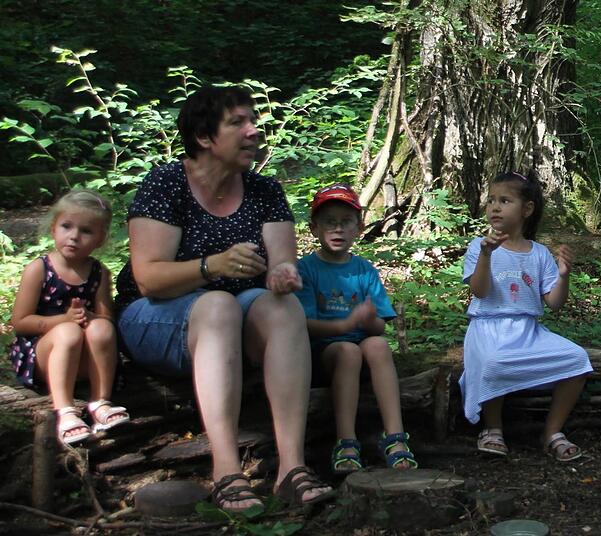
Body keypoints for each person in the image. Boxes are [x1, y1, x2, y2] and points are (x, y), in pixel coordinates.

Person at [115, 86, 332, 512]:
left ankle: (291, 468)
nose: (254, 131)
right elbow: (149, 279)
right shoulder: (167, 183)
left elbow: (281, 262)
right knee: (217, 305)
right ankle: (227, 471)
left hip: (234, 319)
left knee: (283, 308)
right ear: (204, 137)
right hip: (156, 318)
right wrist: (212, 265)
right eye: (238, 122)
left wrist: (283, 273)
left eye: (253, 121)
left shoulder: (264, 190)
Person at [460, 171, 592, 461]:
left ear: (527, 209)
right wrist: (486, 254)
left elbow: (554, 303)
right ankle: (493, 429)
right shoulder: (479, 247)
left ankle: (552, 433)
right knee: (493, 362)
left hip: (528, 332)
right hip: (488, 328)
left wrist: (563, 276)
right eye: (491, 200)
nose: (495, 207)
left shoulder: (539, 253)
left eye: (505, 201)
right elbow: (480, 291)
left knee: (577, 359)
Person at [294, 184, 417, 474]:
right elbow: (302, 325)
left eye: (346, 222)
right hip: (323, 354)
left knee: (379, 345)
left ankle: (395, 436)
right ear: (314, 228)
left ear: (359, 229)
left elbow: (378, 329)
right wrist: (345, 324)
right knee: (348, 351)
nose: (338, 229)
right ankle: (346, 441)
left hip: (362, 351)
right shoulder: (305, 269)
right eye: (329, 222)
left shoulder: (364, 270)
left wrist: (368, 319)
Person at [9, 190, 129, 446]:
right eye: (66, 226)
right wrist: (63, 320)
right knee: (69, 332)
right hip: (44, 358)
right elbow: (20, 322)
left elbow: (106, 317)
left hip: (84, 360)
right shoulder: (39, 269)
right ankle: (64, 410)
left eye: (86, 231)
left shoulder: (98, 272)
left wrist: (91, 317)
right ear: (53, 228)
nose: (74, 236)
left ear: (100, 239)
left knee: (102, 328)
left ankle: (100, 402)